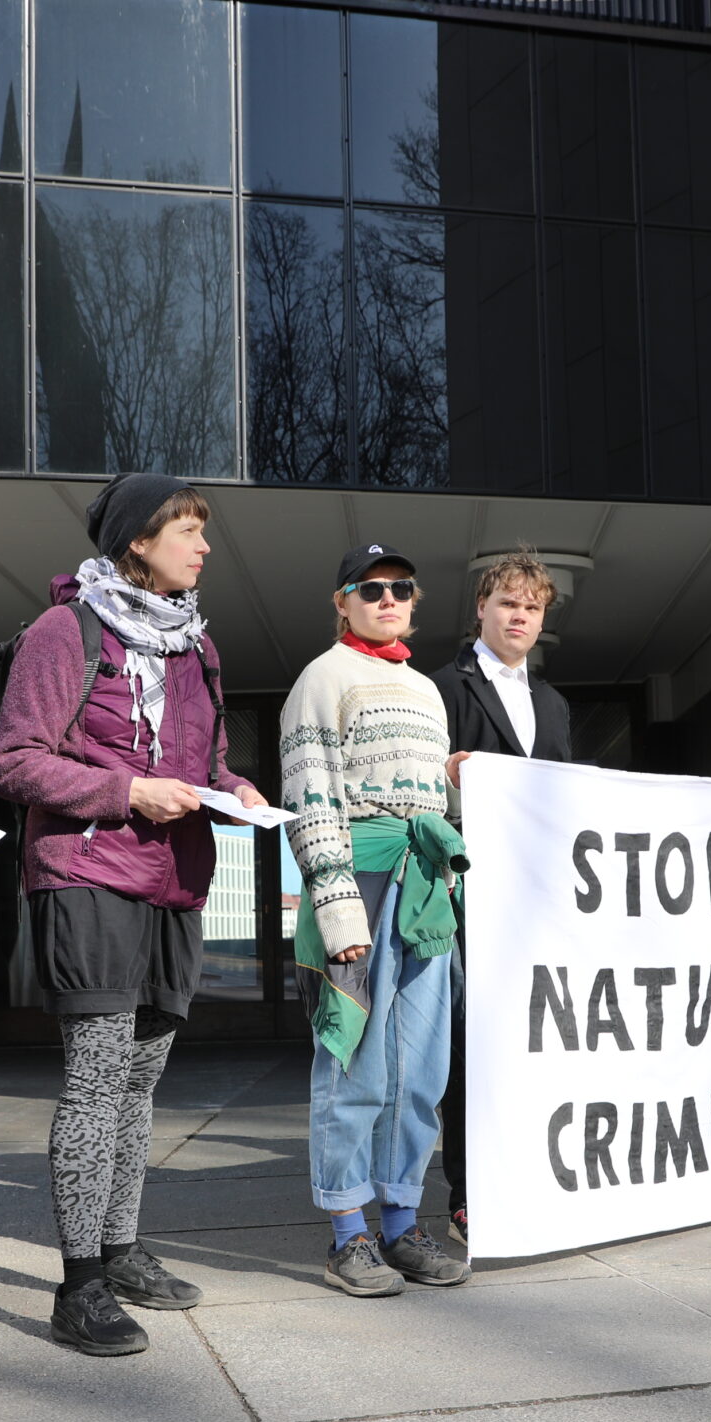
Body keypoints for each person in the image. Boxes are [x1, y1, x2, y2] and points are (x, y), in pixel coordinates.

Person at [0, 473, 269, 1356]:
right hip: (90, 874)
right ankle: (78, 1285)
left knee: (143, 1082)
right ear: (138, 541)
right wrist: (125, 790)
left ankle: (120, 1247)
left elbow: (208, 761)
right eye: (188, 529)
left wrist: (236, 789)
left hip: (175, 881)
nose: (204, 545)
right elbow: (17, 762)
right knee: (97, 1076)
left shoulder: (199, 646)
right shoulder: (62, 630)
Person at [279, 544, 469, 1297]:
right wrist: (332, 899)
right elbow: (310, 789)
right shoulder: (322, 678)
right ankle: (346, 1232)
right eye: (372, 588)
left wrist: (452, 789)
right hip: (358, 877)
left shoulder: (425, 688)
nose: (388, 599)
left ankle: (400, 1221)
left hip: (423, 885)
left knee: (420, 1065)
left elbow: (433, 807)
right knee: (354, 1060)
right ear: (342, 599)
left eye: (401, 589)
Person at [431, 550, 574, 1243]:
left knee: (534, 1039)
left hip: (536, 899)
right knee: (470, 1041)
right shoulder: (443, 688)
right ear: (481, 610)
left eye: (532, 606)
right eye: (508, 603)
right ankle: (468, 1189)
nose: (520, 616)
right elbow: (420, 786)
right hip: (467, 894)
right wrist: (448, 774)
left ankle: (529, 1174)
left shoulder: (554, 704)